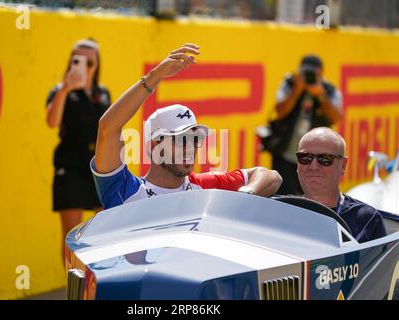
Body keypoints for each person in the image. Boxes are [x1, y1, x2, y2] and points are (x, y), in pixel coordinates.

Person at [91, 43, 282, 210]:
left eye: (195, 139)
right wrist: (155, 76)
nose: (190, 147)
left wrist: (245, 196)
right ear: (154, 146)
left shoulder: (205, 187)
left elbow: (270, 176)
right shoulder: (126, 190)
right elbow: (108, 128)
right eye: (181, 139)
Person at [45, 38, 111, 259]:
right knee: (71, 238)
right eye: (78, 60)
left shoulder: (103, 93)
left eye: (90, 63)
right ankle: (72, 288)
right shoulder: (59, 91)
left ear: (97, 66)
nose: (84, 67)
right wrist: (65, 89)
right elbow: (51, 121)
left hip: (97, 168)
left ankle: (98, 286)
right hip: (70, 168)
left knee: (102, 234)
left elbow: (109, 130)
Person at [296, 127, 386, 243]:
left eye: (325, 159)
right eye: (305, 158)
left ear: (343, 165)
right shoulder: (284, 210)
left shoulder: (367, 219)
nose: (313, 166)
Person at [272, 55, 343, 195]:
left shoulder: (329, 90)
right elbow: (279, 111)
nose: (309, 77)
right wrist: (296, 91)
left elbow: (336, 117)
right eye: (306, 73)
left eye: (313, 73)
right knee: (283, 201)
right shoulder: (290, 83)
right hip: (286, 155)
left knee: (314, 201)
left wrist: (320, 95)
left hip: (315, 161)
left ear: (321, 73)